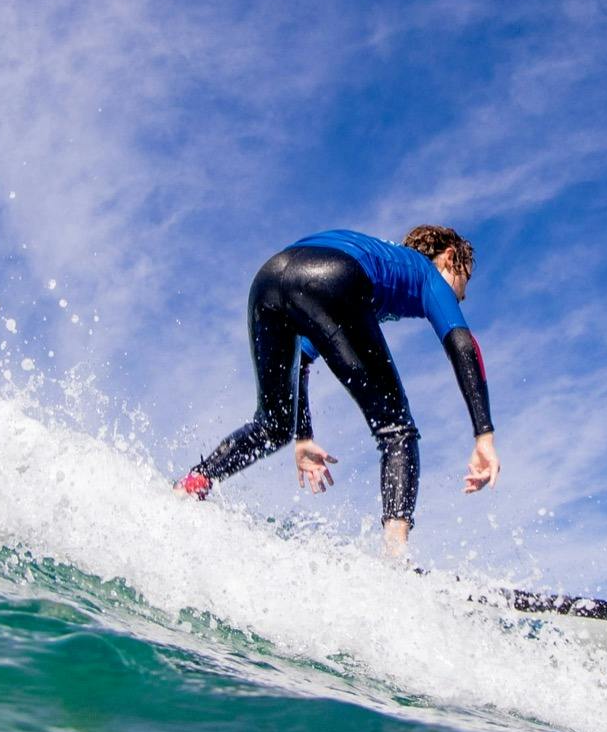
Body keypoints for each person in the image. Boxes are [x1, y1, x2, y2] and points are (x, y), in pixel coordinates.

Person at [177, 225, 499, 552]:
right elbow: (462, 343)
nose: (463, 294)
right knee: (398, 429)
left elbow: (299, 358)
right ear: (449, 258)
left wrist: (302, 435)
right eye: (465, 280)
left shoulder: (380, 266)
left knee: (274, 425)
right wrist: (483, 435)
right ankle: (396, 558)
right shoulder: (425, 271)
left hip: (269, 279)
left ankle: (190, 486)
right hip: (332, 276)